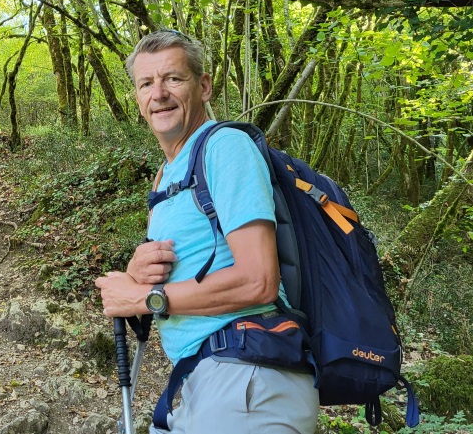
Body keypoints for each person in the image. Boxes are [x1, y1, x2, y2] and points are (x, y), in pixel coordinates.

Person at [96, 30, 319, 433]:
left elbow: (259, 281)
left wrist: (146, 298)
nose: (159, 93)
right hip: (208, 379)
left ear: (204, 86)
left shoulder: (224, 147)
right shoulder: (170, 175)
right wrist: (138, 272)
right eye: (146, 83)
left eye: (173, 79)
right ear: (137, 99)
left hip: (248, 380)